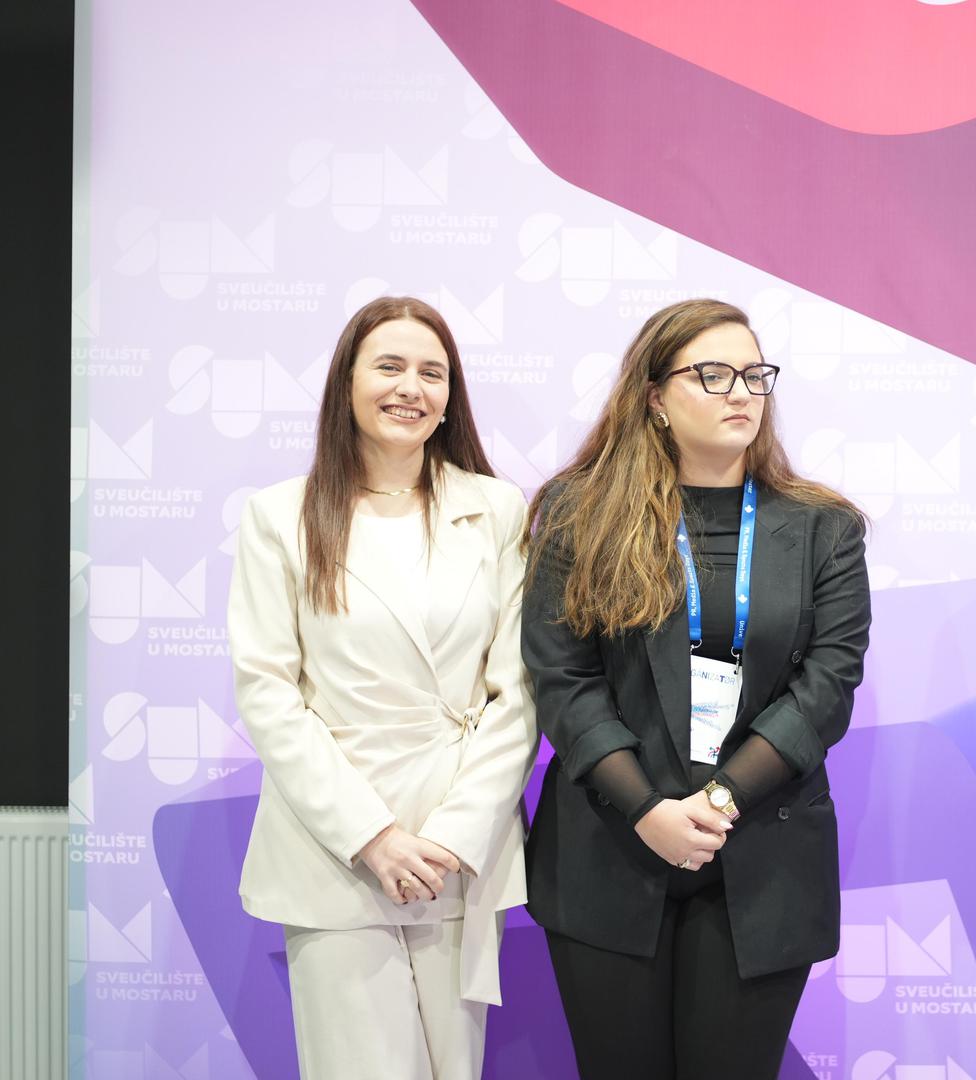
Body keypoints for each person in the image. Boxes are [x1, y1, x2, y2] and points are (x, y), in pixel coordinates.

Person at [522, 299, 871, 1079]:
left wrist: (718, 802)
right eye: (712, 375)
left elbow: (827, 686)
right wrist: (647, 809)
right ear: (654, 397)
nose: (741, 392)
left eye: (754, 375)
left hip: (762, 854)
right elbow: (564, 681)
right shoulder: (580, 516)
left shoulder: (823, 528)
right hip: (611, 847)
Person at [228, 296, 535, 1079]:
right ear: (347, 383)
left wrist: (454, 836)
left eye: (432, 372)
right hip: (335, 851)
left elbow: (518, 693)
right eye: (389, 366)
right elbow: (269, 693)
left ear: (450, 396)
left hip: (458, 847)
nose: (410, 387)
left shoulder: (495, 509)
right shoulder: (280, 516)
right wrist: (373, 837)